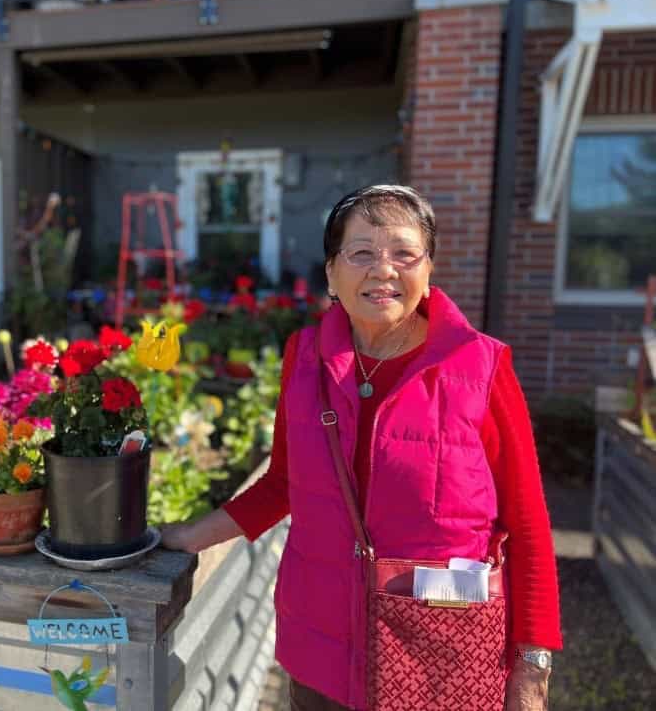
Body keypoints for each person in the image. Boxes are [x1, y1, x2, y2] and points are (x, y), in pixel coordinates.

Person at [161, 185, 562, 711]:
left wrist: (532, 669)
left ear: (428, 270)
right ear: (332, 274)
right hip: (322, 654)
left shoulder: (481, 367)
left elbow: (527, 521)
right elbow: (284, 483)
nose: (383, 270)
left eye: (403, 253)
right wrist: (191, 536)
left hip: (441, 661)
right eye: (362, 253)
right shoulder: (304, 359)